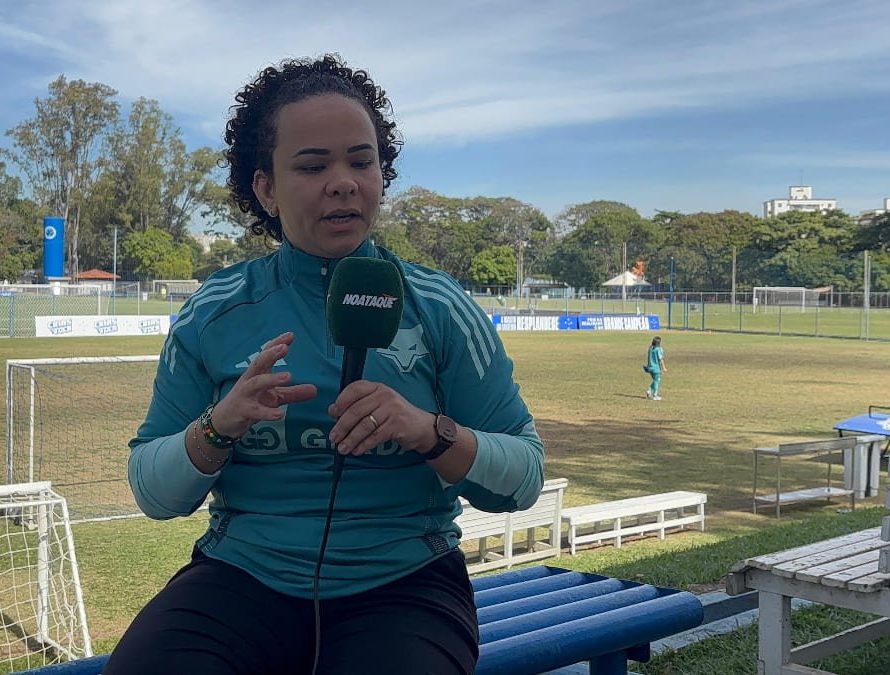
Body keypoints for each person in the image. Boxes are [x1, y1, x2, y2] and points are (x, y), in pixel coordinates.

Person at [104, 54, 545, 675]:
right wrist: (219, 425)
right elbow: (154, 492)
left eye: (361, 161)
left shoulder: (440, 307)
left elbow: (524, 477)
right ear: (265, 189)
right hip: (242, 577)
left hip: (406, 585)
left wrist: (429, 431)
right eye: (313, 166)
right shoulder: (214, 311)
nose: (343, 182)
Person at [645, 336, 666, 400]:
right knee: (657, 381)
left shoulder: (650, 348)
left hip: (650, 368)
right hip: (656, 369)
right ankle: (655, 395)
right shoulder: (658, 350)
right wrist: (664, 367)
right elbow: (661, 359)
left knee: (655, 380)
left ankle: (649, 391)